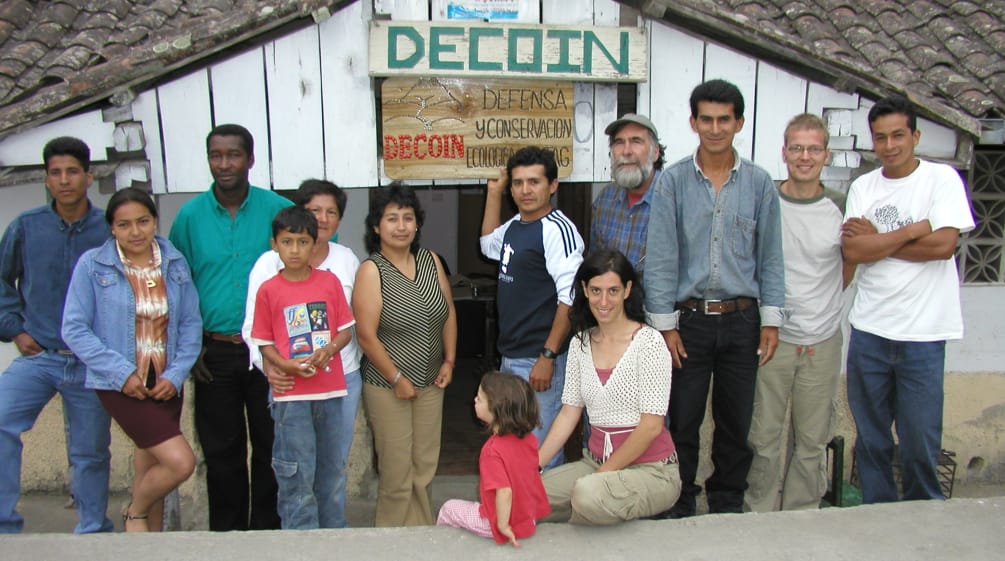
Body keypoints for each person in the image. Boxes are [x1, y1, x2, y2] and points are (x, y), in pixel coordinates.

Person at [644, 79, 785, 517]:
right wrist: (664, 327)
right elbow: (662, 259)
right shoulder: (673, 182)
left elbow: (772, 256)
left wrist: (771, 320)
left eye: (725, 119)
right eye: (706, 118)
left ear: (739, 122)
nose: (715, 127)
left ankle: (726, 503)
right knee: (682, 420)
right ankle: (679, 502)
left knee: (735, 422)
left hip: (743, 321)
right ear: (693, 122)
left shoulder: (760, 184)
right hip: (690, 323)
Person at [841, 95, 974, 503]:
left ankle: (923, 520)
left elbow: (943, 246)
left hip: (924, 335)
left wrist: (877, 241)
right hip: (870, 332)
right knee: (873, 441)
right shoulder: (864, 186)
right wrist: (911, 230)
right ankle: (880, 520)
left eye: (898, 135)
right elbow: (853, 252)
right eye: (880, 138)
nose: (890, 145)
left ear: (915, 136)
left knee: (919, 443)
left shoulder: (942, 180)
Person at [168, 123, 292, 531]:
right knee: (222, 450)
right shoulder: (189, 217)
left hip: (269, 351)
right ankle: (227, 537)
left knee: (271, 445)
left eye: (233, 155)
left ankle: (267, 534)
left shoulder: (278, 210)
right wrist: (190, 349)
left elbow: (306, 269)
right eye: (216, 155)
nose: (224, 164)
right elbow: (177, 285)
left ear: (250, 160)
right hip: (212, 353)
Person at [62, 188, 200, 532]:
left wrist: (177, 373)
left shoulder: (174, 261)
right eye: (124, 225)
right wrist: (122, 373)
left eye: (143, 221)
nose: (135, 232)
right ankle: (134, 513)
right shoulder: (93, 266)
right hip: (122, 385)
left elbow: (190, 323)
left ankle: (146, 546)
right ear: (111, 228)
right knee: (180, 463)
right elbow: (74, 329)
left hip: (165, 383)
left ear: (155, 221)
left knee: (148, 466)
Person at [0, 136, 113, 534]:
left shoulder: (109, 229)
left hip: (90, 362)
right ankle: (4, 524)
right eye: (55, 173)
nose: (64, 180)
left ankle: (92, 529)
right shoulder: (26, 227)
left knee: (90, 452)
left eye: (72, 172)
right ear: (46, 179)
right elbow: (2, 281)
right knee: (1, 421)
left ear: (89, 176)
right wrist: (15, 329)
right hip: (39, 355)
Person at [745, 114, 852, 512]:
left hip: (822, 338)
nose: (805, 157)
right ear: (784, 152)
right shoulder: (766, 200)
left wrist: (823, 306)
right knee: (764, 434)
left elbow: (849, 262)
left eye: (814, 149)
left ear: (826, 154)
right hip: (773, 336)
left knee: (811, 438)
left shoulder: (841, 205)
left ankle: (802, 514)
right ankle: (758, 511)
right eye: (796, 148)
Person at [242, 179, 361, 528]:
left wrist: (331, 350)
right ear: (276, 243)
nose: (296, 249)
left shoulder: (338, 271)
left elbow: (348, 326)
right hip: (290, 390)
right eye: (288, 242)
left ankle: (332, 538)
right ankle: (300, 543)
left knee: (332, 468)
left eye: (331, 212)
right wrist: (277, 365)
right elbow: (257, 334)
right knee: (295, 468)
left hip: (337, 385)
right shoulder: (268, 277)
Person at [538, 250, 680, 524]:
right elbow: (569, 413)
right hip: (593, 463)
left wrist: (603, 474)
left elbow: (651, 426)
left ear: (627, 289)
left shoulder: (649, 342)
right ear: (584, 289)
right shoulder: (580, 343)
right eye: (596, 290)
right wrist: (533, 466)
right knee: (525, 492)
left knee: (587, 494)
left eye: (613, 290)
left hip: (651, 471)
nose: (604, 301)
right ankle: (589, 511)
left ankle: (586, 515)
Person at [352, 183, 456, 526]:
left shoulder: (430, 261)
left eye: (408, 218)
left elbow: (448, 313)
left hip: (431, 383)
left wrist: (449, 361)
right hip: (387, 385)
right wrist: (396, 378)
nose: (401, 226)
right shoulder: (372, 271)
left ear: (417, 224)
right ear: (376, 227)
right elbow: (366, 336)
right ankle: (391, 543)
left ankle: (421, 538)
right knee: (397, 475)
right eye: (392, 218)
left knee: (424, 469)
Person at [480, 146, 585, 470]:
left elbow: (569, 298)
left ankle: (544, 517)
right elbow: (487, 246)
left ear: (552, 185)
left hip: (540, 359)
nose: (525, 190)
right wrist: (494, 193)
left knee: (541, 450)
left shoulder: (557, 230)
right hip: (512, 354)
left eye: (534, 182)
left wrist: (549, 356)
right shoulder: (516, 225)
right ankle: (521, 513)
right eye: (518, 183)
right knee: (516, 442)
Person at [436, 371, 550, 546]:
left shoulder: (492, 451)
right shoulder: (528, 439)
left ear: (497, 409)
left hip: (497, 523)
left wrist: (502, 526)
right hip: (527, 518)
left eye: (480, 399)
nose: (474, 399)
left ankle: (441, 550)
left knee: (449, 508)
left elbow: (504, 491)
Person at [590, 113, 666, 279]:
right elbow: (595, 265)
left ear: (655, 153)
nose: (626, 151)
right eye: (619, 143)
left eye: (636, 141)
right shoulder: (605, 200)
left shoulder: (674, 199)